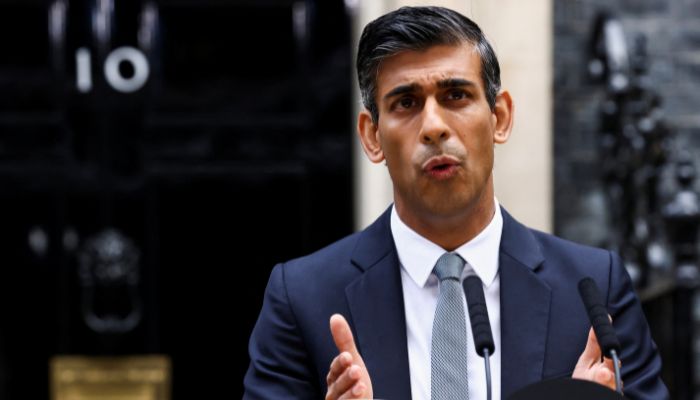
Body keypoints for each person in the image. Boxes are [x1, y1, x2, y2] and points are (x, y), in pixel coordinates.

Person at [243, 6, 668, 400]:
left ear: (499, 117)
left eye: (456, 96)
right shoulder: (302, 299)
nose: (433, 126)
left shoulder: (593, 291)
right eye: (406, 103)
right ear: (372, 137)